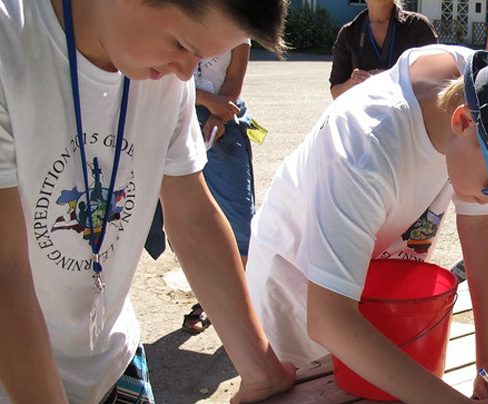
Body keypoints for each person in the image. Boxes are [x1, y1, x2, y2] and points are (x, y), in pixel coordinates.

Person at [245, 44, 488, 404]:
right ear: (462, 121)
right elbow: (328, 318)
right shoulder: (365, 145)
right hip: (296, 291)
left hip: (373, 293)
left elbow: (484, 227)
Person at [0, 0, 295, 403]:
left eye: (202, 58)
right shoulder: (10, 41)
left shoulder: (168, 76)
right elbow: (6, 269)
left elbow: (193, 218)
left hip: (113, 361)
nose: (187, 74)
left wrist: (261, 370)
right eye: (180, 44)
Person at [178, 40, 258, 334]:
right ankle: (208, 301)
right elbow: (170, 74)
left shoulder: (239, 25)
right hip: (177, 118)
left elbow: (234, 79)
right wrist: (206, 101)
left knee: (239, 219)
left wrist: (216, 113)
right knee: (189, 219)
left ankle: (246, 303)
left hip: (224, 121)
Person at [329, 0, 437, 99]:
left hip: (406, 117)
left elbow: (436, 82)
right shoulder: (349, 32)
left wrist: (397, 80)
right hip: (364, 117)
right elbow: (335, 92)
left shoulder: (418, 26)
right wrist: (351, 84)